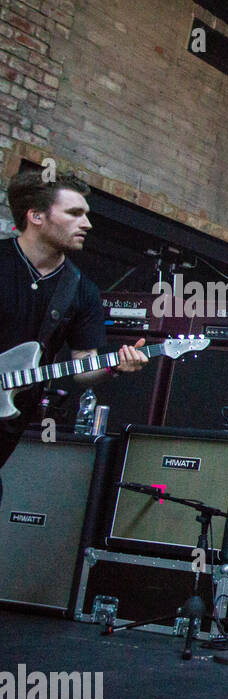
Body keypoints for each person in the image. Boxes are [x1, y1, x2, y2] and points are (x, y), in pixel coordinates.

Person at [0, 170, 148, 501]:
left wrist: (114, 366)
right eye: (74, 213)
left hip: (6, 426)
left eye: (86, 214)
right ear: (36, 216)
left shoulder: (80, 290)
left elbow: (83, 368)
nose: (87, 224)